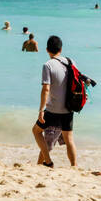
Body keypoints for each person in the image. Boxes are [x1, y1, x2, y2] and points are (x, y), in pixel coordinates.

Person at [33, 35, 78, 168]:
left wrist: (41, 110)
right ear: (61, 49)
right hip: (69, 108)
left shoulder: (48, 65)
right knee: (69, 139)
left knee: (36, 131)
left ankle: (48, 161)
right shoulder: (71, 62)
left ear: (47, 49)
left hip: (53, 110)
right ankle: (74, 166)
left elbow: (46, 88)